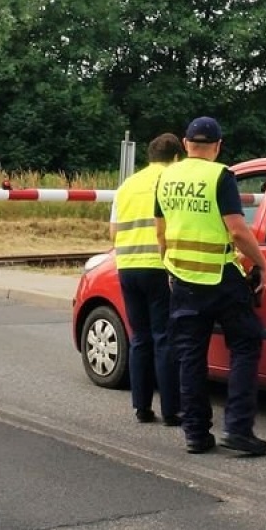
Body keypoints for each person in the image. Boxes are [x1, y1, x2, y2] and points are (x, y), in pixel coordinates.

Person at [154, 116, 266, 456]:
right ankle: (238, 429)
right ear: (218, 145)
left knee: (190, 356)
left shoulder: (165, 178)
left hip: (183, 278)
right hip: (221, 278)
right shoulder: (220, 175)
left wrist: (170, 269)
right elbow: (236, 230)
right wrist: (261, 263)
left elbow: (161, 233)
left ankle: (195, 434)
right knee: (246, 344)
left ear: (185, 142)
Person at [109, 132, 184, 428]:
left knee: (139, 338)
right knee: (164, 338)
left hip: (127, 267)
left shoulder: (127, 186)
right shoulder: (170, 182)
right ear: (176, 157)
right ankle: (170, 410)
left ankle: (141, 407)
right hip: (159, 267)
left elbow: (113, 233)